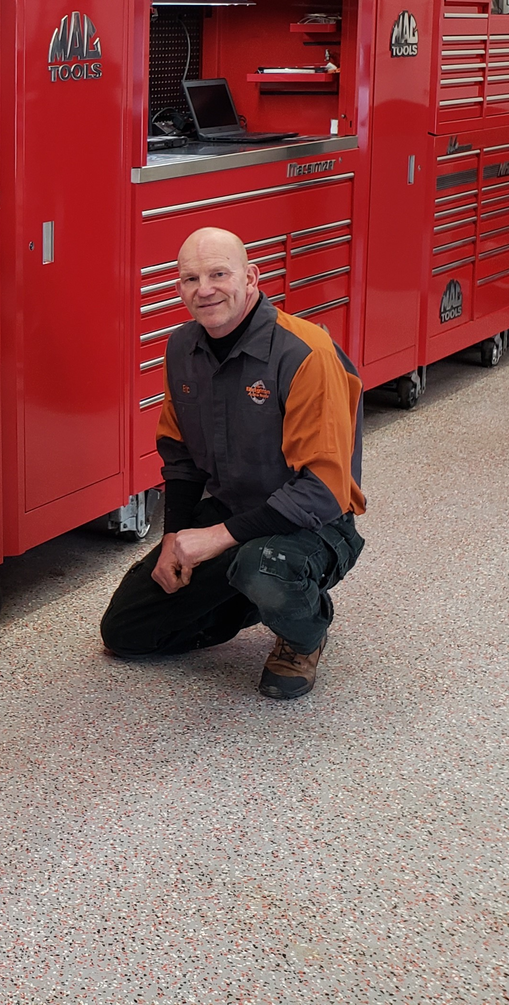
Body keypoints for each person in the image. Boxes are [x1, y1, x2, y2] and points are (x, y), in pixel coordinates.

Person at [100, 226, 366, 699]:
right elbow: (181, 459)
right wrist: (174, 541)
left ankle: (304, 631)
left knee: (264, 568)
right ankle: (252, 590)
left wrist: (214, 541)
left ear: (251, 278)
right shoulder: (183, 348)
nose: (204, 290)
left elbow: (322, 489)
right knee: (127, 632)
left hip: (313, 524)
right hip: (234, 511)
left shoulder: (304, 353)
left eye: (218, 274)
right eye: (189, 279)